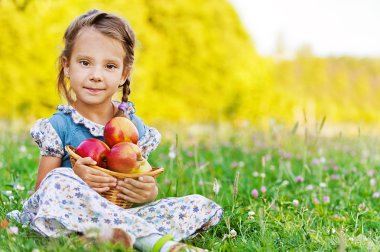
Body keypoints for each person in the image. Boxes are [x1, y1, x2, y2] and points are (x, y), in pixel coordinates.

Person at [6, 9, 223, 252]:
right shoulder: (59, 125)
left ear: (124, 74)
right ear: (67, 66)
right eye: (85, 63)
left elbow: (139, 172)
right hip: (66, 216)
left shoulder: (132, 128)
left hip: (120, 216)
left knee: (198, 205)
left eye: (109, 66)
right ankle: (155, 243)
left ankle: (98, 238)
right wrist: (76, 178)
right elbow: (43, 191)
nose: (96, 75)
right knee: (58, 180)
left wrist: (148, 192)